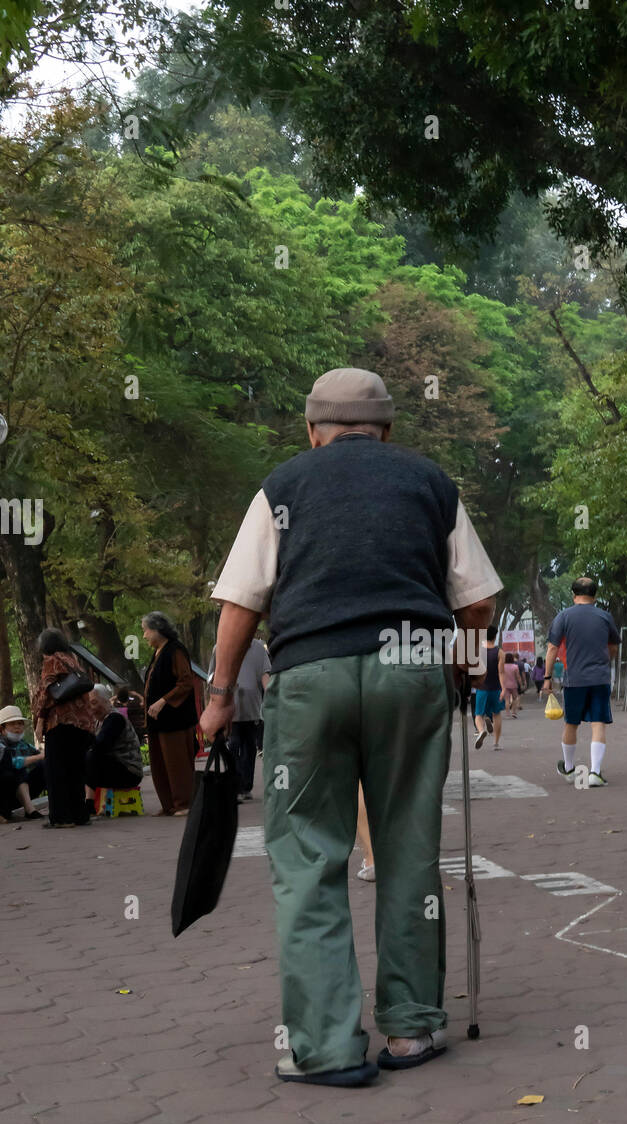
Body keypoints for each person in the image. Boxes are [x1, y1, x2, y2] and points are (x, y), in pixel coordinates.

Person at [201, 366, 501, 1087]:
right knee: (407, 845)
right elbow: (480, 603)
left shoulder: (284, 485)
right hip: (413, 668)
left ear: (313, 430)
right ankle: (410, 1029)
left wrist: (217, 698)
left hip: (311, 675)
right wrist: (462, 667)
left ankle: (326, 1047)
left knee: (308, 857)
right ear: (388, 430)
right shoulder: (431, 483)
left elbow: (242, 602)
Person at [542, 577, 620, 787]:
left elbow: (552, 648)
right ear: (595, 595)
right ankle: (594, 773)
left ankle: (569, 768)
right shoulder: (605, 617)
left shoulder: (564, 616)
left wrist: (547, 679)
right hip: (600, 678)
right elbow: (613, 647)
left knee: (571, 723)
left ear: (574, 594)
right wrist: (605, 661)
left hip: (574, 679)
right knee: (598, 723)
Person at [32, 628, 96, 828]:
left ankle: (61, 817)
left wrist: (40, 718)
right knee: (75, 770)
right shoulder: (72, 659)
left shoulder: (51, 660)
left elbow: (47, 692)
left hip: (61, 722)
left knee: (56, 770)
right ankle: (79, 815)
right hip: (81, 723)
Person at [142, 612, 198, 816]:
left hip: (175, 720)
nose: (144, 636)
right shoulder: (157, 653)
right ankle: (169, 804)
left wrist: (163, 701)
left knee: (177, 763)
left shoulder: (175, 650)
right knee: (159, 763)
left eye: (146, 630)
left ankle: (183, 802)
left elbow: (185, 682)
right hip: (158, 722)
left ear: (158, 629)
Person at [207, 635, 270, 800]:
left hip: (253, 709)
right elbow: (211, 676)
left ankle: (245, 787)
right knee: (233, 746)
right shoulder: (219, 647)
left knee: (249, 749)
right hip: (230, 709)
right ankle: (234, 787)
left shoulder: (259, 649)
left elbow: (265, 673)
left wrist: (270, 693)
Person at [85, 686, 143, 797]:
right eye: (88, 705)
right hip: (115, 768)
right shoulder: (98, 721)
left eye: (94, 702)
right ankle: (86, 802)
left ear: (106, 701)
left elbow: (100, 746)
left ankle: (89, 801)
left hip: (129, 772)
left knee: (89, 757)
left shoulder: (115, 718)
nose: (91, 708)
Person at [0, 705, 45, 822]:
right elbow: (12, 763)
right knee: (18, 768)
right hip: (5, 791)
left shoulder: (23, 744)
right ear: (2, 728)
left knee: (45, 765)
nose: (17, 727)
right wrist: (38, 757)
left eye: (20, 723)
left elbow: (40, 755)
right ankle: (29, 810)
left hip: (20, 791)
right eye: (12, 724)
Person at [473, 625, 506, 750]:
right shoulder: (500, 652)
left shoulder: (477, 651)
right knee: (497, 714)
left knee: (478, 715)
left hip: (481, 688)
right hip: (496, 688)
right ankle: (496, 743)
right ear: (495, 636)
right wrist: (504, 689)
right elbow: (501, 672)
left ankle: (481, 731)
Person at [502, 652, 521, 717]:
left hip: (505, 685)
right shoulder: (515, 666)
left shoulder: (502, 666)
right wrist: (520, 683)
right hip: (514, 685)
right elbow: (518, 676)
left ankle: (507, 713)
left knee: (507, 700)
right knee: (514, 699)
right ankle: (514, 712)